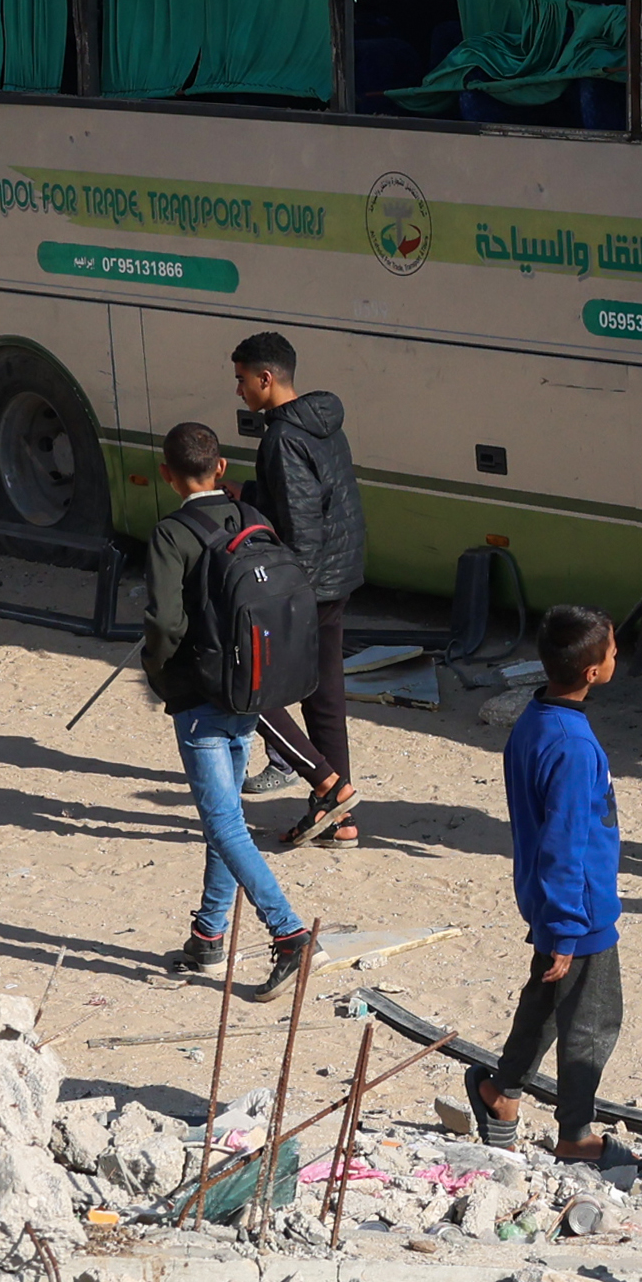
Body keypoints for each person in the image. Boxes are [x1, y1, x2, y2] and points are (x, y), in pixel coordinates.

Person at [138, 421, 318, 990]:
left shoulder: (171, 535)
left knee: (222, 824)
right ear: (221, 468)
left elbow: (166, 622)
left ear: (167, 475)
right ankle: (209, 935)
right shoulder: (252, 519)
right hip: (253, 689)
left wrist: (155, 668)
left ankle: (288, 934)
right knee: (227, 822)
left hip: (200, 698)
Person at [466, 602, 628, 1158]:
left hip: (548, 897)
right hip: (577, 908)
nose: (615, 658)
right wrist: (563, 927)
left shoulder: (535, 720)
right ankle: (575, 1134)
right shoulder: (574, 746)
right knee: (594, 1021)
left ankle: (500, 1091)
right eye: (610, 652)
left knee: (544, 1003)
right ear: (591, 672)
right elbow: (565, 841)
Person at [231, 332, 369, 845]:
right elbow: (318, 497)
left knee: (246, 685)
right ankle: (342, 818)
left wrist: (283, 594)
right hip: (341, 574)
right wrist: (246, 493)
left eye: (242, 381)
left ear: (266, 379)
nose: (239, 392)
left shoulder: (281, 438)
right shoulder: (323, 424)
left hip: (308, 583)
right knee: (326, 696)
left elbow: (298, 523)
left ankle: (327, 787)